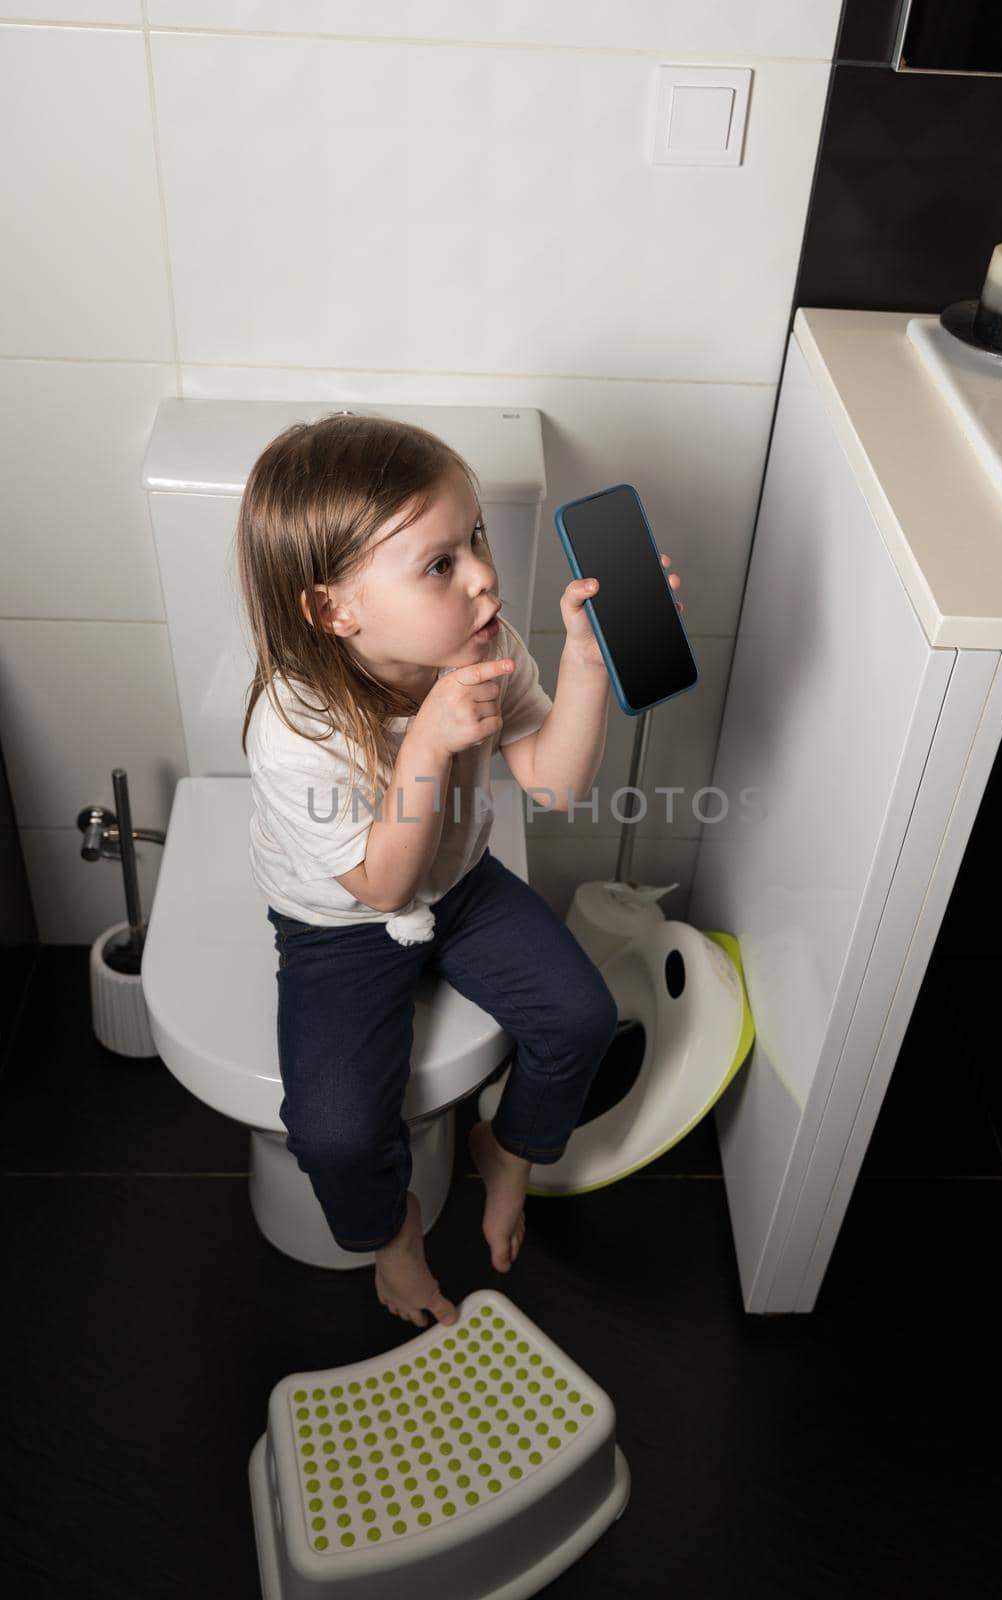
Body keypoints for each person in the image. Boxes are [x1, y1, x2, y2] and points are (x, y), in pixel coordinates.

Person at [235, 411, 684, 1330]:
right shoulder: (295, 726)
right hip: (341, 923)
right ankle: (391, 1238)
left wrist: (589, 664)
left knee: (580, 1017)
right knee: (334, 1132)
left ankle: (507, 1150)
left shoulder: (483, 644)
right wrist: (430, 743)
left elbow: (552, 786)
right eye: (441, 564)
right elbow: (383, 888)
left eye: (473, 536)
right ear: (334, 609)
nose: (483, 574)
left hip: (462, 886)